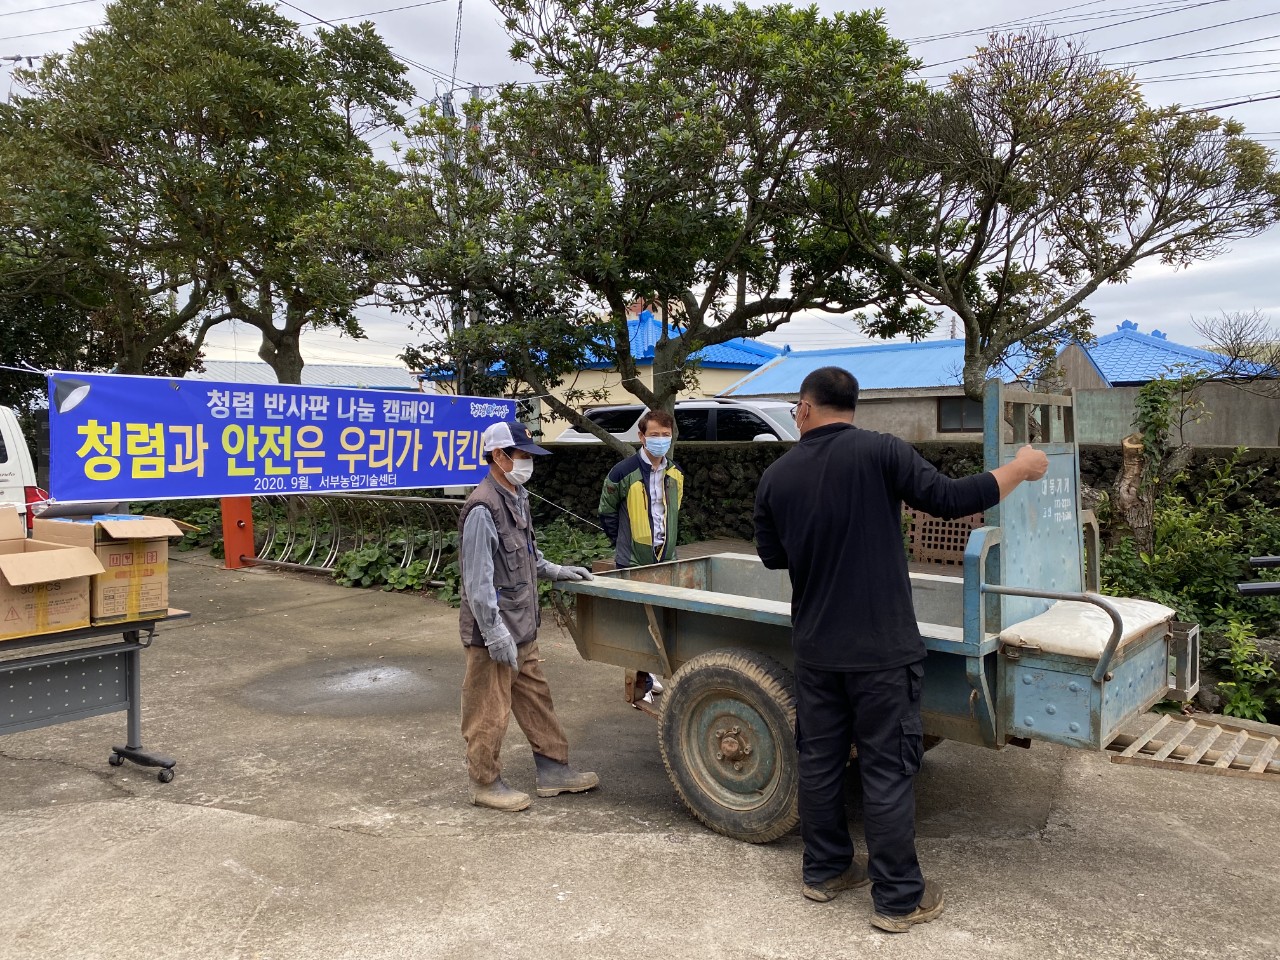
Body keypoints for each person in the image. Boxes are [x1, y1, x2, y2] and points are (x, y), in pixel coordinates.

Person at [753, 367, 1048, 933]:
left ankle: (825, 873)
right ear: (853, 406)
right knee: (886, 772)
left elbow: (773, 556)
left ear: (805, 408)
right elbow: (952, 499)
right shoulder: (882, 453)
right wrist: (1019, 468)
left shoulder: (776, 475)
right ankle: (898, 900)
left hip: (815, 649)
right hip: (882, 652)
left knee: (819, 764)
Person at [459, 421, 600, 812]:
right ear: (499, 456)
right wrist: (494, 634)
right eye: (521, 456)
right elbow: (477, 582)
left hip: (522, 627)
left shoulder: (516, 495)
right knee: (488, 708)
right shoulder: (482, 507)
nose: (527, 463)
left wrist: (556, 570)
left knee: (537, 699)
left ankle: (554, 769)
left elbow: (525, 555)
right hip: (494, 635)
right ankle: (485, 783)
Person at [598, 409, 685, 702]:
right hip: (633, 560)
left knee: (660, 620)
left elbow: (673, 512)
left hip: (666, 557)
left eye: (665, 435)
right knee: (637, 624)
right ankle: (640, 685)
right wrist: (622, 542)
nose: (660, 440)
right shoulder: (622, 473)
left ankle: (650, 673)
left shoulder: (675, 473)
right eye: (654, 434)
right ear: (641, 436)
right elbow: (606, 512)